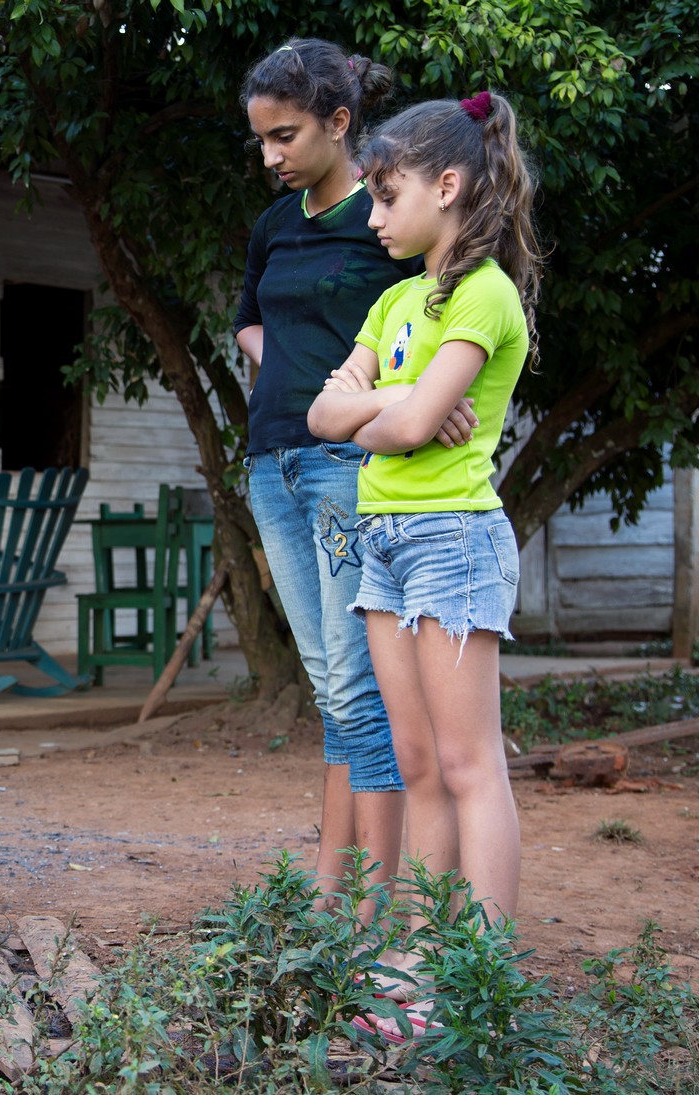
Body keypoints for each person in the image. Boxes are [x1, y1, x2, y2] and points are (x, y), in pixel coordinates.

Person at [308, 90, 541, 1036]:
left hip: (452, 541)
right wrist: (398, 399)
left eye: (384, 195)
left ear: (447, 186)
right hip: (385, 545)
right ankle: (422, 948)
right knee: (413, 762)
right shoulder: (398, 300)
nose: (371, 217)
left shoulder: (486, 292)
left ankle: (475, 970)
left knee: (467, 761)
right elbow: (322, 419)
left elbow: (391, 425)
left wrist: (382, 404)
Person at [234, 39, 419, 919]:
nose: (270, 156)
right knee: (328, 682)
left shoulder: (386, 220)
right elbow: (250, 325)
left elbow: (431, 321)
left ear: (339, 123)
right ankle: (331, 893)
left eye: (285, 136)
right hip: (271, 461)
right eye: (262, 140)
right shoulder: (274, 227)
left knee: (357, 683)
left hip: (349, 465)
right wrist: (292, 381)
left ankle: (373, 910)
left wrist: (371, 395)